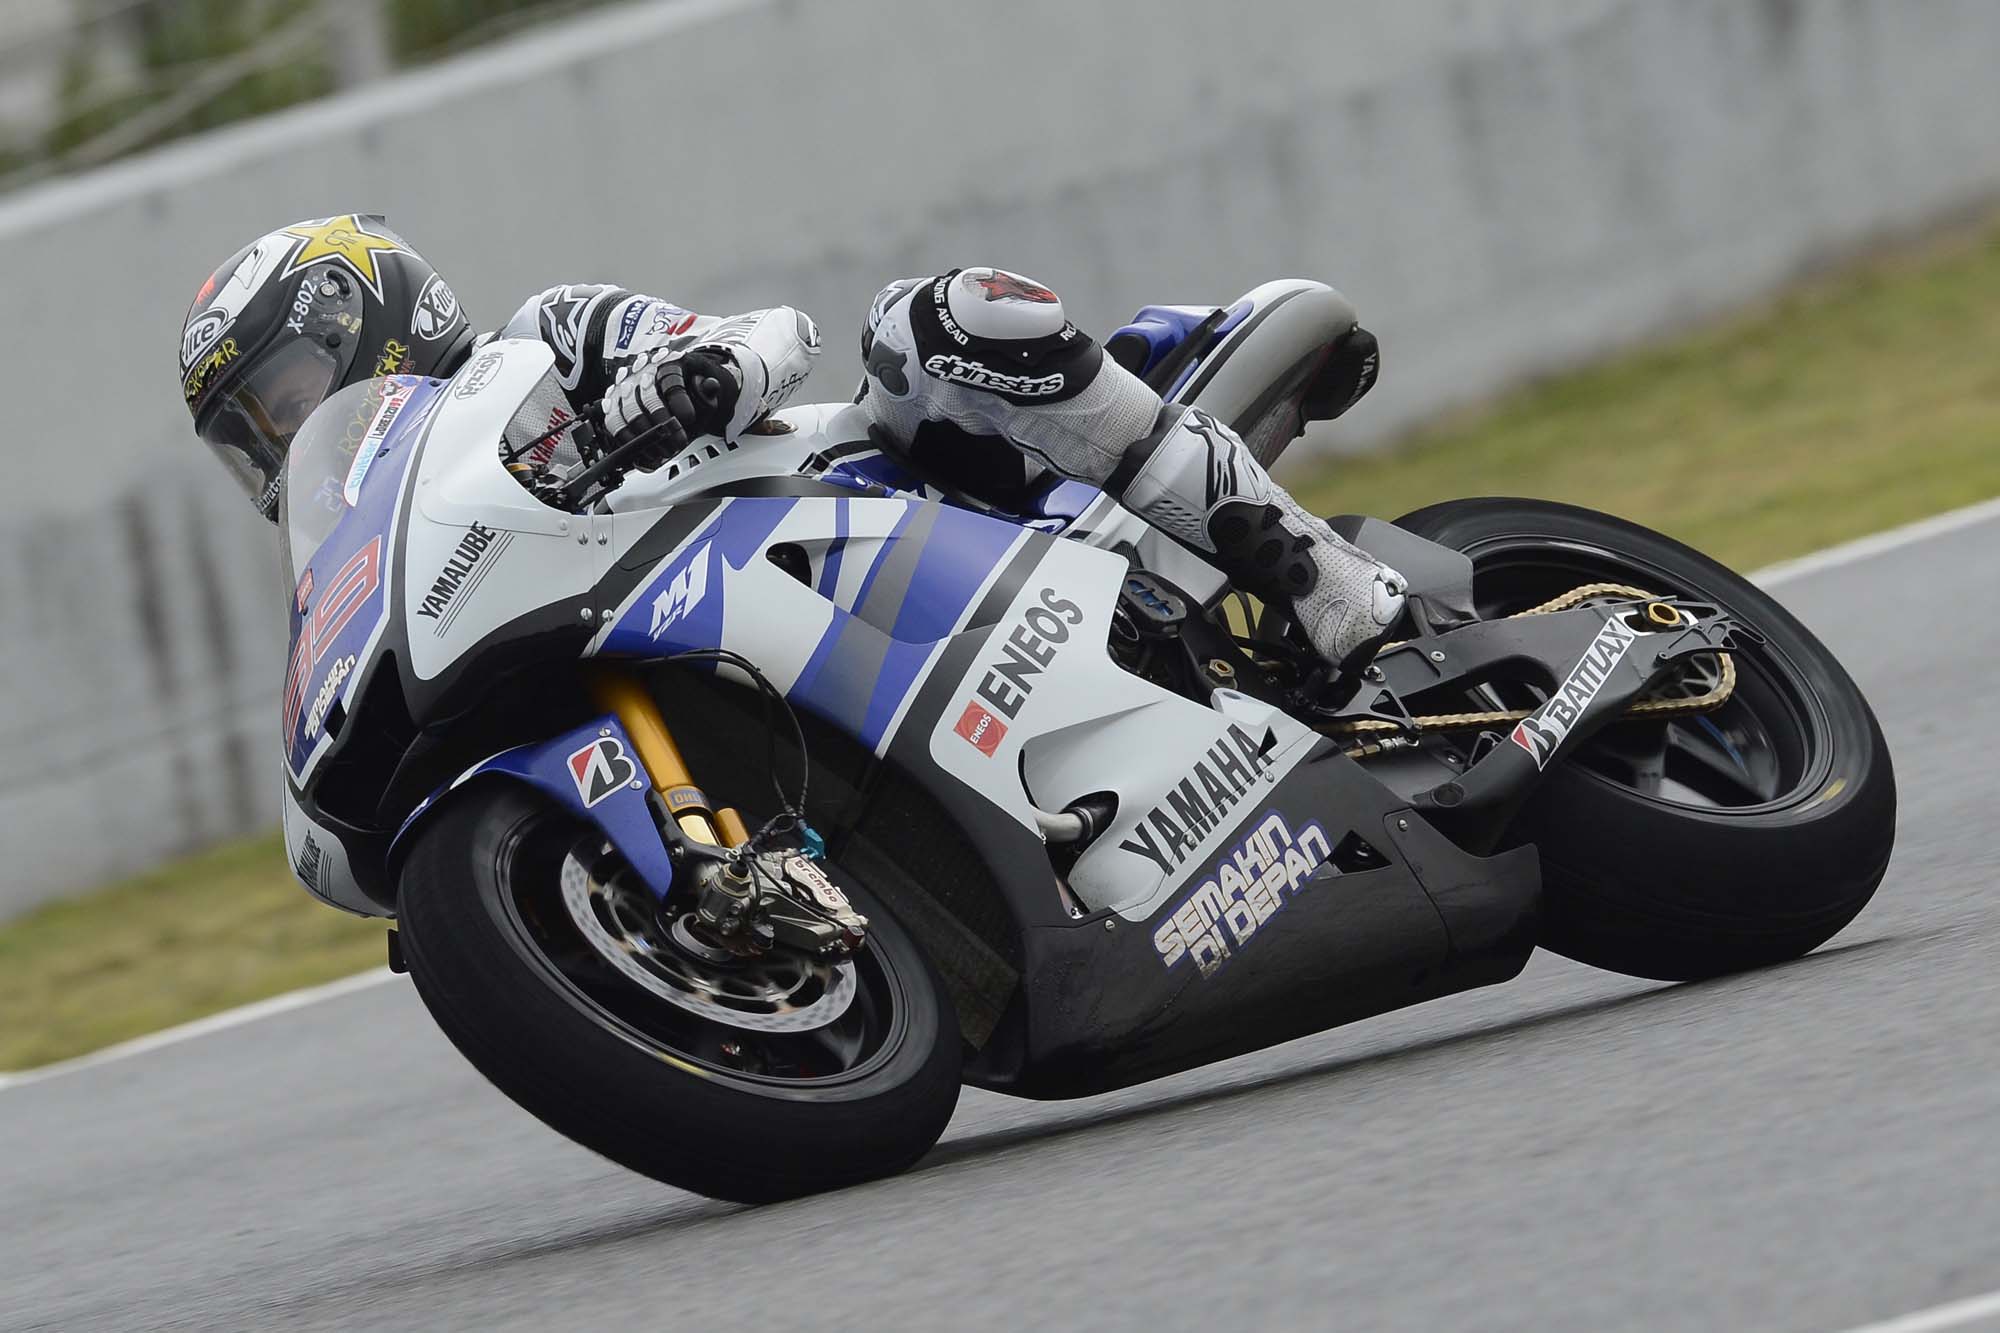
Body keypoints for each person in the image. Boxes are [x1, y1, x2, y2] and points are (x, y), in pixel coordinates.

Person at [178, 213, 1405, 673]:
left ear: (367, 319)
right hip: (732, 644)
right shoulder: (412, 546)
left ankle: (1326, 581)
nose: (280, 440)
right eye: (254, 436)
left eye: (281, 398)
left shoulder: (538, 342)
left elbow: (769, 336)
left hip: (877, 503)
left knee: (930, 323)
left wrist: (692, 376)